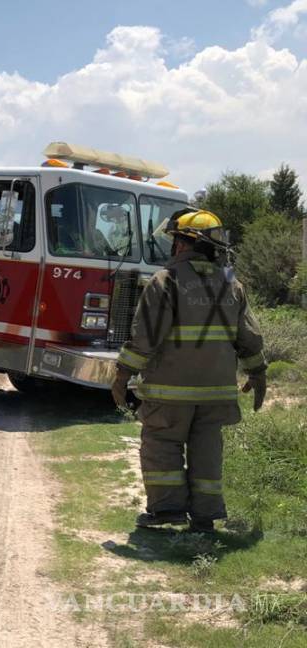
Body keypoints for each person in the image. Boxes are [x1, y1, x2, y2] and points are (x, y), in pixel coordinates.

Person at [111, 208, 266, 533]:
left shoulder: (166, 281)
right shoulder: (230, 282)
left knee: (162, 445)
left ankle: (167, 511)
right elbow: (248, 336)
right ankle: (205, 516)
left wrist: (123, 374)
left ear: (183, 244)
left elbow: (146, 337)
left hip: (170, 391)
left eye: (175, 241)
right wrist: (258, 372)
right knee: (207, 451)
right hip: (217, 393)